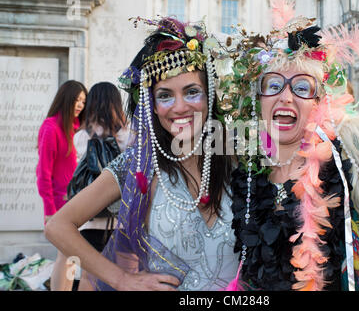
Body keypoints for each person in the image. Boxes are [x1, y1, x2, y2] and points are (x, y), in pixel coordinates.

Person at [218, 15, 359, 291]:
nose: (286, 96)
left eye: (302, 86)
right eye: (273, 85)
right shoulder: (247, 170)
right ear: (259, 99)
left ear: (319, 101)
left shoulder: (348, 164)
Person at [45, 17, 239, 291]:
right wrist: (121, 279)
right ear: (151, 105)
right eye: (165, 96)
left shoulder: (240, 160)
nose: (180, 107)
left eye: (192, 91)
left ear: (211, 95)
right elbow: (57, 226)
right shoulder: (136, 164)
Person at [72, 82, 130, 290]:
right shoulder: (128, 136)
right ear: (116, 103)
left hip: (89, 218)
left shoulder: (80, 137)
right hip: (121, 219)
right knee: (124, 275)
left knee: (88, 276)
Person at [36, 80, 88, 291]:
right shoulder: (51, 127)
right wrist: (49, 211)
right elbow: (43, 173)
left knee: (72, 256)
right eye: (77, 100)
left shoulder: (79, 129)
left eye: (83, 101)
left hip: (76, 202)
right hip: (59, 204)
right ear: (66, 99)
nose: (80, 105)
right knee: (64, 254)